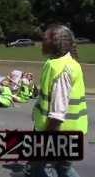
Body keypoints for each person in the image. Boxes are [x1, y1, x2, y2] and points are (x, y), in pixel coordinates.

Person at [30, 24, 88, 177]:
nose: (43, 40)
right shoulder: (69, 63)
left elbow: (57, 113)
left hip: (57, 133)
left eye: (46, 38)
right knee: (63, 168)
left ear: (55, 43)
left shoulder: (60, 69)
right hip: (70, 133)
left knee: (38, 168)